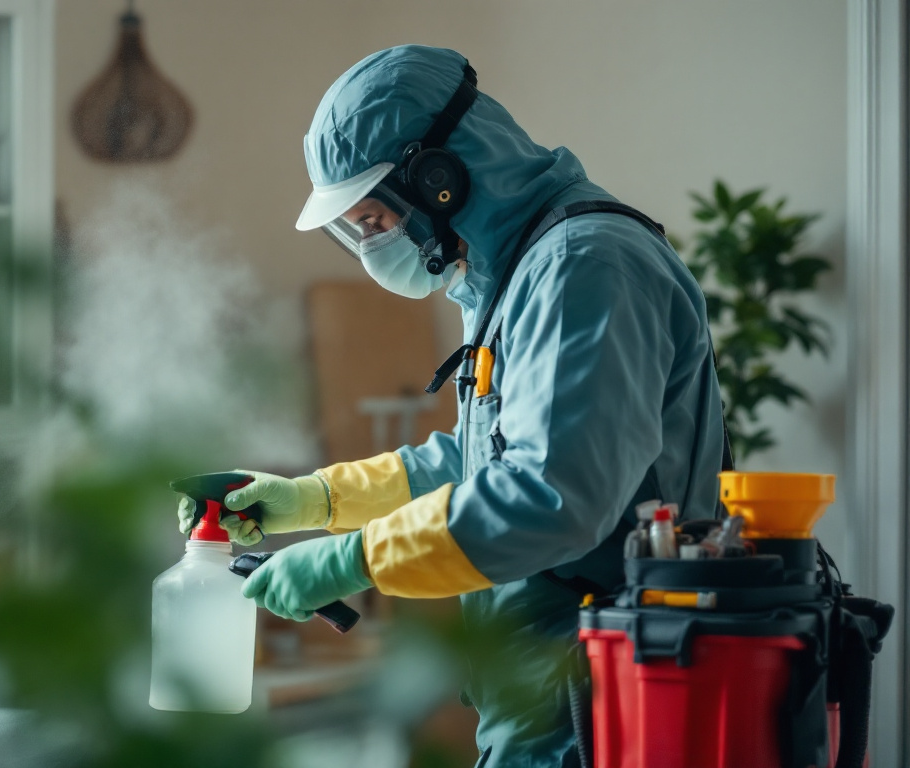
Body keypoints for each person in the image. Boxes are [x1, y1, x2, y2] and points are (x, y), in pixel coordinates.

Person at [178, 45, 723, 767]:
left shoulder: (583, 267)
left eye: (371, 220)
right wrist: (309, 500)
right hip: (555, 694)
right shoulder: (521, 272)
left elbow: (551, 494)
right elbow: (479, 463)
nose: (370, 244)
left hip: (603, 703)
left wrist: (354, 559)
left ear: (437, 179)